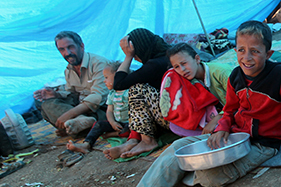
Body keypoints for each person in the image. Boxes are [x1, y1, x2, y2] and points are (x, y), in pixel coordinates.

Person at [85, 21, 281, 187]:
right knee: (177, 148)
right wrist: (223, 127)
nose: (246, 57)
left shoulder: (280, 74)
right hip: (233, 136)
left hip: (262, 144)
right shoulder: (236, 76)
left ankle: (175, 173)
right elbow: (228, 110)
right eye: (240, 50)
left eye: (255, 51)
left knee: (210, 178)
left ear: (268, 53)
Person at [105, 28, 171, 160]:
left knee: (137, 89)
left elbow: (118, 84)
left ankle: (147, 141)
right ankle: (134, 139)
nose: (136, 58)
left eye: (135, 55)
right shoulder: (167, 55)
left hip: (175, 119)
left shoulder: (154, 64)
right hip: (175, 113)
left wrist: (128, 56)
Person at [33, 31, 109, 136]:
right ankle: (78, 124)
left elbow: (98, 96)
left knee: (69, 115)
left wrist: (70, 114)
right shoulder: (69, 70)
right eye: (62, 49)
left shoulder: (99, 63)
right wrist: (56, 94)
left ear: (81, 46)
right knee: (46, 104)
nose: (67, 53)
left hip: (103, 110)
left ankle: (79, 126)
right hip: (83, 111)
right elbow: (72, 93)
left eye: (70, 47)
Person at [66, 61, 141, 154]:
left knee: (132, 128)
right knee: (99, 125)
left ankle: (113, 134)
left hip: (129, 123)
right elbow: (109, 111)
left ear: (118, 76)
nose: (104, 81)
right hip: (117, 123)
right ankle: (86, 144)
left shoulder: (130, 92)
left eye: (106, 77)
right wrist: (112, 122)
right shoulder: (112, 94)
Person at [161, 43, 234, 136]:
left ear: (197, 59)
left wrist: (218, 119)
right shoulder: (187, 80)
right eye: (176, 67)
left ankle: (216, 131)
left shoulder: (220, 72)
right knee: (174, 126)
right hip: (216, 115)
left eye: (184, 63)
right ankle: (209, 132)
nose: (182, 69)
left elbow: (240, 99)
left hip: (234, 113)